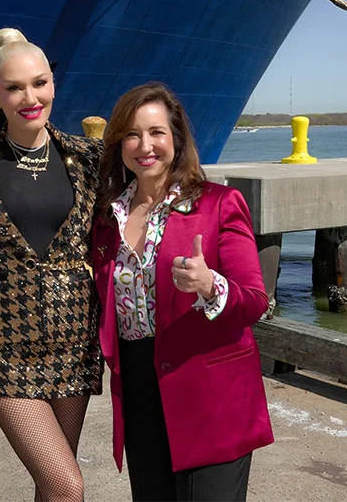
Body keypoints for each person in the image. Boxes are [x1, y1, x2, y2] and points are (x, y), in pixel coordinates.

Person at [91, 82, 274, 501]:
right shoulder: (107, 218)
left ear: (176, 138)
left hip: (209, 391)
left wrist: (210, 285)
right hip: (139, 390)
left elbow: (254, 300)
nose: (145, 146)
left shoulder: (219, 204)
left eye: (156, 132)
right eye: (132, 134)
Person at [0, 28, 103, 502]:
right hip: (2, 347)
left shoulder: (88, 157)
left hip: (74, 343)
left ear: (53, 83)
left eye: (39, 83)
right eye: (13, 88)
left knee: (52, 485)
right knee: (66, 484)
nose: (30, 98)